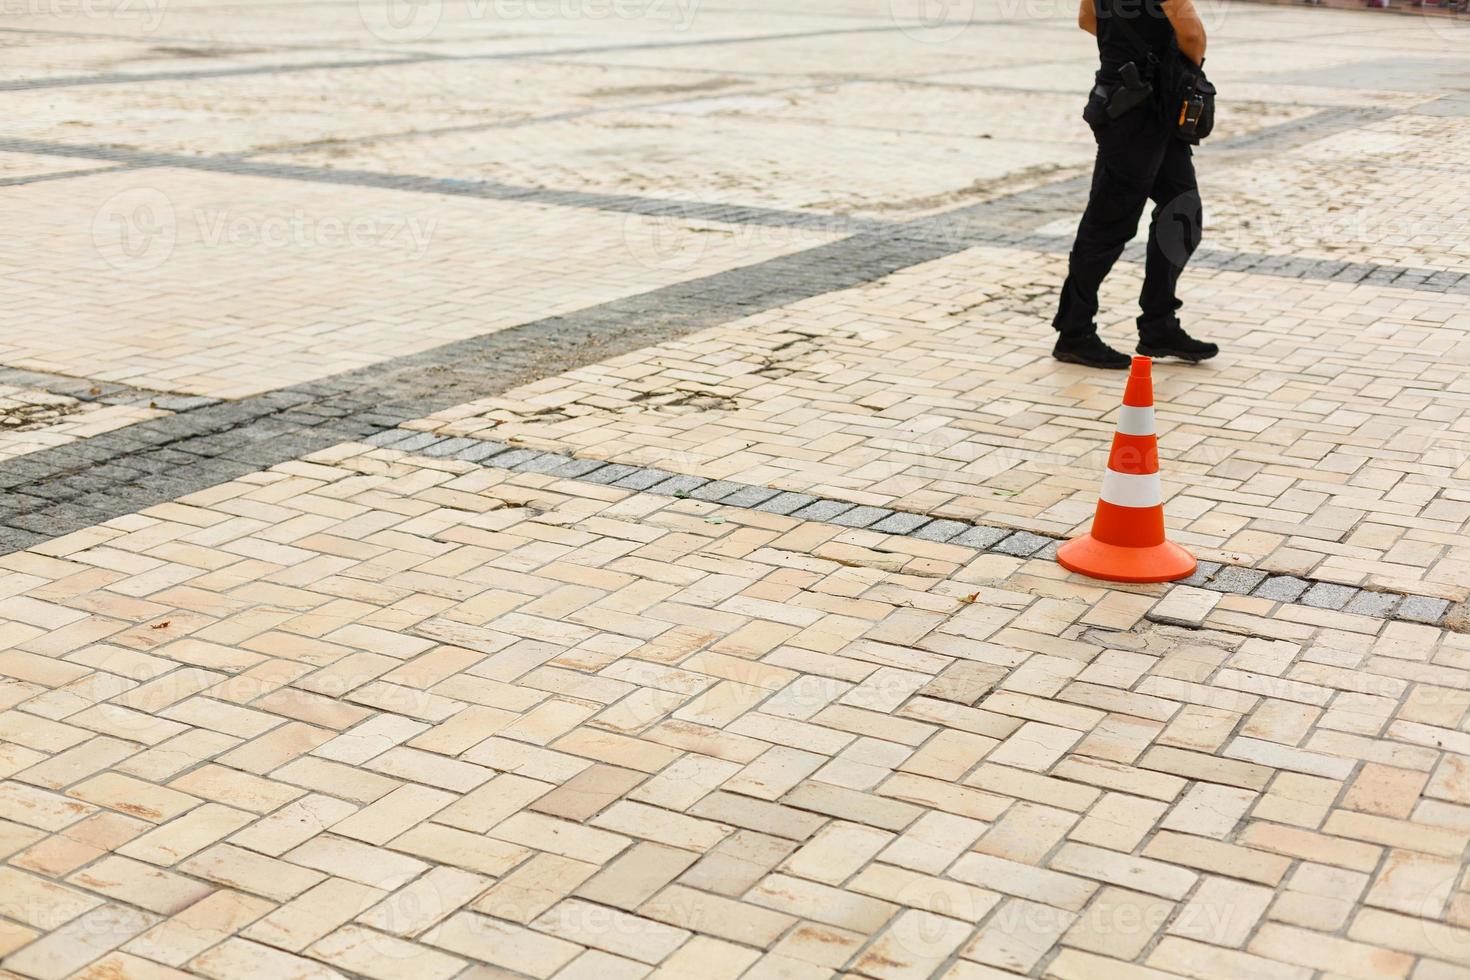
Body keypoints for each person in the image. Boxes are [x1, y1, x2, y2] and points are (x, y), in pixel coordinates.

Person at [1051, 0, 1220, 369]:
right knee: (1110, 222)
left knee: (1182, 209)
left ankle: (1158, 325)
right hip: (1138, 108)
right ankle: (1075, 332)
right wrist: (1181, 68)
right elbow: (1191, 34)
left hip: (1137, 99)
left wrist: (1135, 49)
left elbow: (1087, 19)